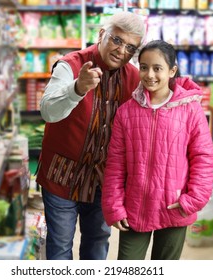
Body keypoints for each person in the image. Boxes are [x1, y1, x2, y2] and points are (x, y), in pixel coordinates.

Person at [35, 11, 146, 260]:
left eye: (130, 47)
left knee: (97, 244)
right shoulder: (70, 64)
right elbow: (47, 112)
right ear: (101, 34)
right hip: (61, 176)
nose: (121, 50)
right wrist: (77, 88)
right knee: (61, 246)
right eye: (117, 40)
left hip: (102, 180)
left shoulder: (135, 78)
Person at [101, 40, 213, 260]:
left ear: (172, 71)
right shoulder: (126, 112)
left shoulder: (190, 109)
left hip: (174, 207)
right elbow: (116, 163)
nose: (149, 74)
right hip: (134, 209)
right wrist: (114, 206)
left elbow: (203, 157)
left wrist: (193, 200)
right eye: (144, 67)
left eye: (157, 68)